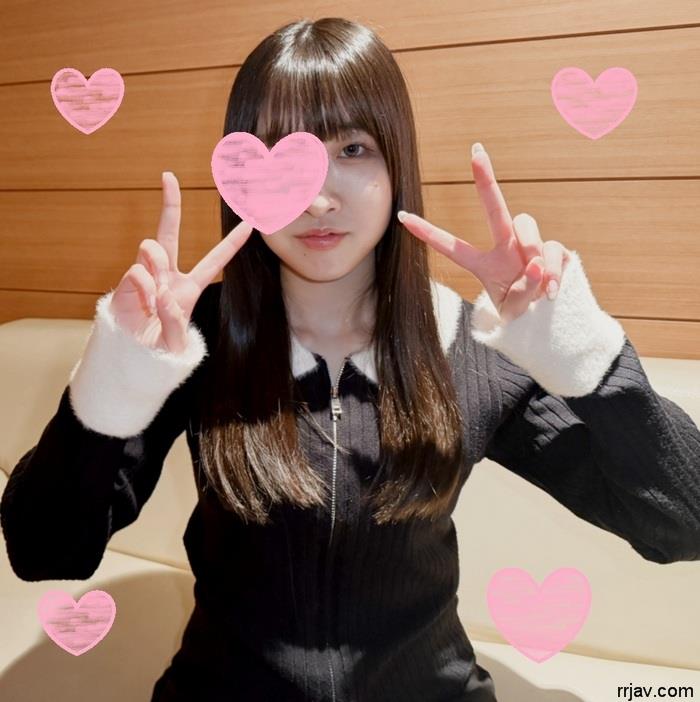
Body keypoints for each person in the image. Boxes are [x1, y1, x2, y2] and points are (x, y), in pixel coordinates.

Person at [2, 16, 699, 702]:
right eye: (283, 155)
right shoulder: (188, 342)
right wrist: (115, 381)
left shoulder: (474, 347)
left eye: (354, 148)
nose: (318, 198)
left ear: (398, 165)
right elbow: (44, 552)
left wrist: (585, 358)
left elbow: (683, 524)